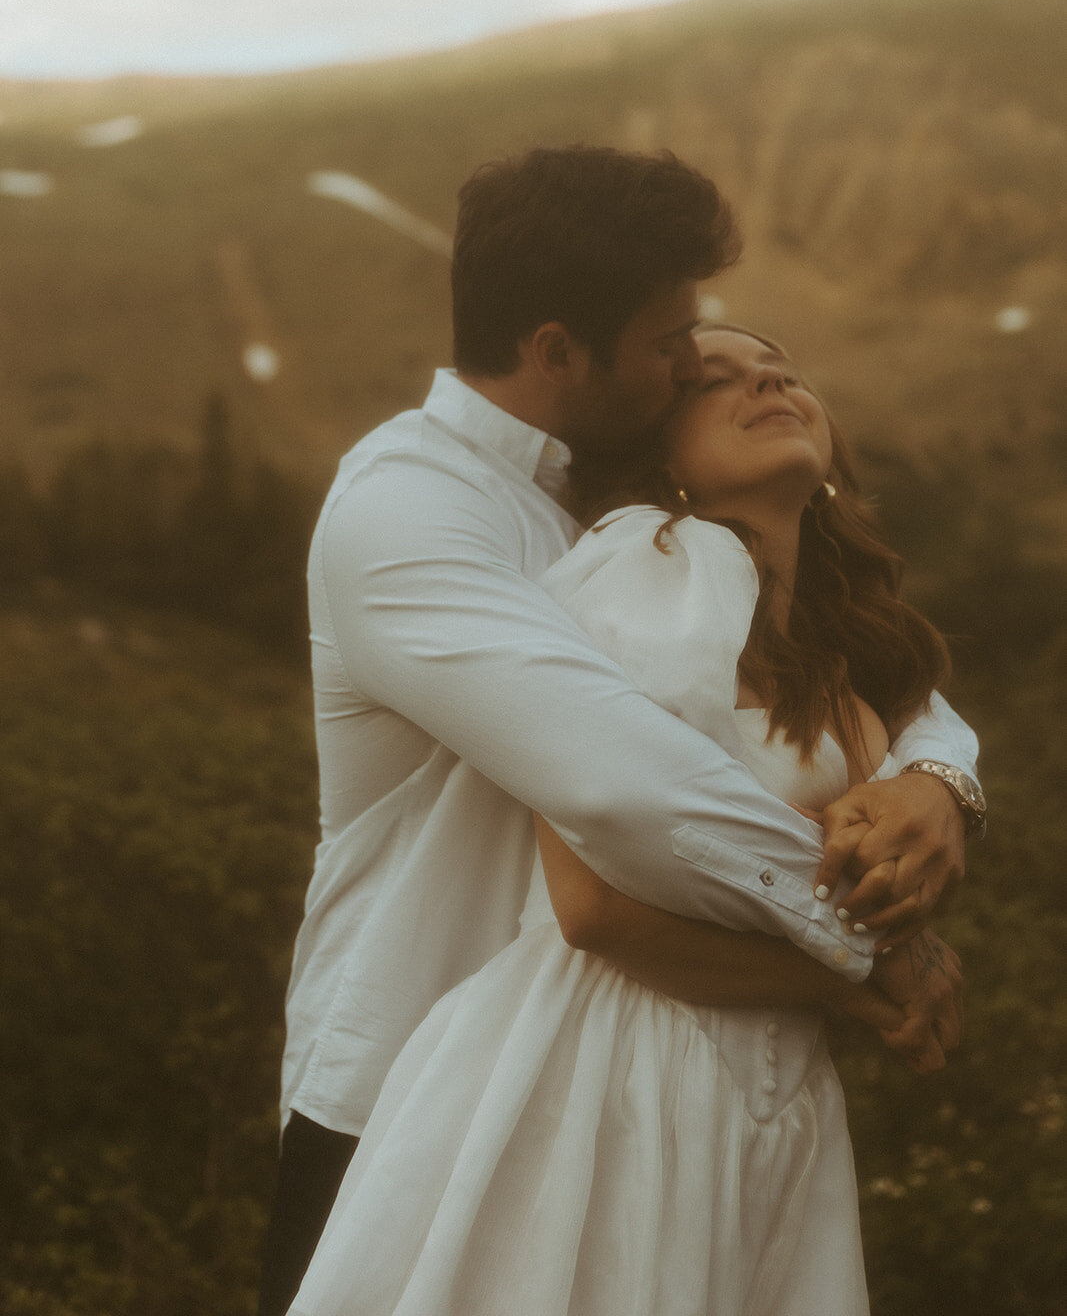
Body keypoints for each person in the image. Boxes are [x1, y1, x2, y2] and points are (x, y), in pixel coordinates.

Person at [258, 148, 981, 1316]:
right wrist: (860, 947)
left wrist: (941, 777)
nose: (694, 363)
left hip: (669, 1089)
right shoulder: (409, 509)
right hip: (408, 1083)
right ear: (555, 351)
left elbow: (858, 680)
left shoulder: (625, 512)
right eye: (669, 347)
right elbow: (626, 786)